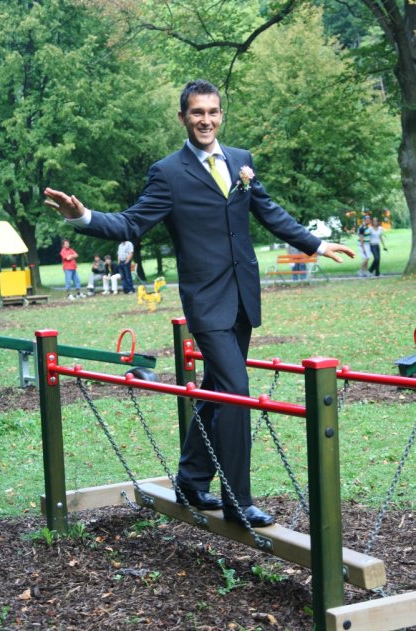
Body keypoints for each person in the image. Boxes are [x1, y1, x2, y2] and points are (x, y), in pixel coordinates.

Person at [45, 79, 354, 527]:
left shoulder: (242, 161)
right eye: (196, 113)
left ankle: (190, 480)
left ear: (221, 114)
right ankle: (238, 501)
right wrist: (83, 217)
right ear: (183, 118)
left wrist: (317, 245)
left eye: (212, 112)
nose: (205, 120)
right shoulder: (168, 173)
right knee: (237, 393)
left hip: (243, 296)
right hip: (206, 303)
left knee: (216, 389)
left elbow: (268, 211)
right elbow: (131, 223)